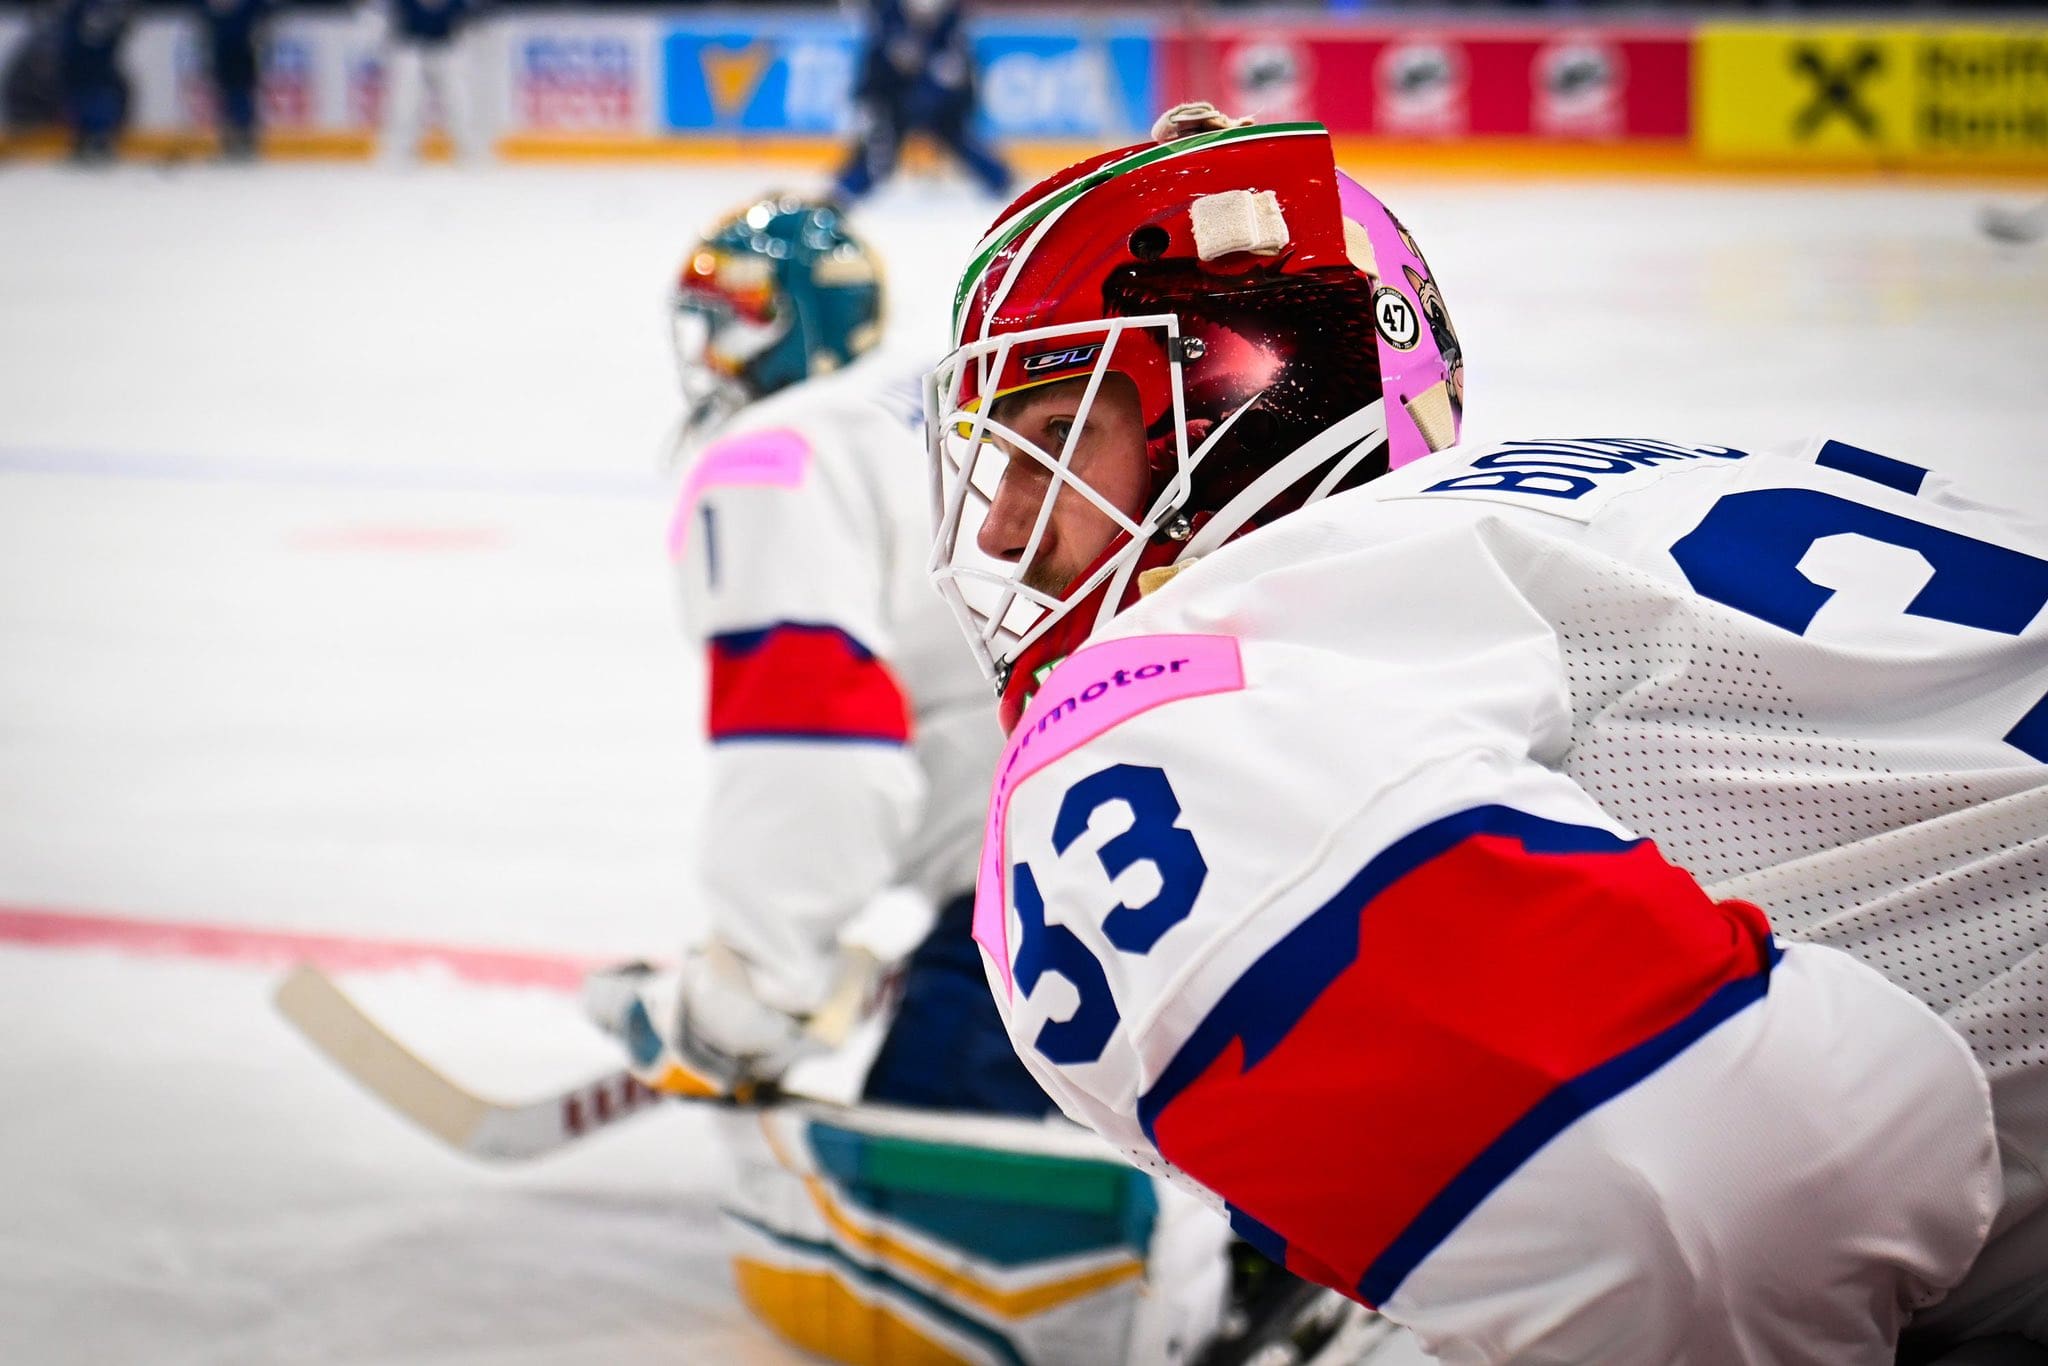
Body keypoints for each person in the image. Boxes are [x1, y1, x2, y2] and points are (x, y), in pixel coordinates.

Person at [926, 104, 2048, 1364]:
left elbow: (1716, 1215)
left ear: (1243, 395)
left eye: (1051, 441)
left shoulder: (1178, 696)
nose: (999, 531)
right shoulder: (1674, 471)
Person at [584, 195, 1376, 1366]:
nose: (714, 347)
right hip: (1212, 837)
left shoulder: (767, 458)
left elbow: (812, 753)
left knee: (920, 1245)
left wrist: (752, 992)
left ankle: (1269, 1269)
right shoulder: (955, 393)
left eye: (737, 315)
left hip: (1069, 894)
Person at [832, 0, 1010, 205]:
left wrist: (948, 91)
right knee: (880, 146)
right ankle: (847, 190)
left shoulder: (950, 26)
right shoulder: (888, 18)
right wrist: (867, 100)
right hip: (890, 101)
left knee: (958, 136)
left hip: (937, 101)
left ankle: (1001, 181)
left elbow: (960, 74)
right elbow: (876, 71)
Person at [376, 0, 480, 164]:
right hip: (412, 49)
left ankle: (467, 152)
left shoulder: (457, 3)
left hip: (447, 50)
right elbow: (389, 19)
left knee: (458, 102)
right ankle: (400, 152)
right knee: (405, 104)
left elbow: (468, 18)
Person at [198, 0, 272, 160]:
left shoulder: (250, 5)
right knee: (226, 97)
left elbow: (265, 11)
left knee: (240, 96)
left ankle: (245, 142)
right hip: (222, 52)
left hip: (242, 52)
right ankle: (230, 144)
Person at [56, 0, 129, 162]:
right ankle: (84, 138)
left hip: (98, 66)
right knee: (83, 99)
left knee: (100, 99)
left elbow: (117, 32)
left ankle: (99, 138)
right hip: (79, 65)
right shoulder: (78, 9)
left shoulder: (108, 8)